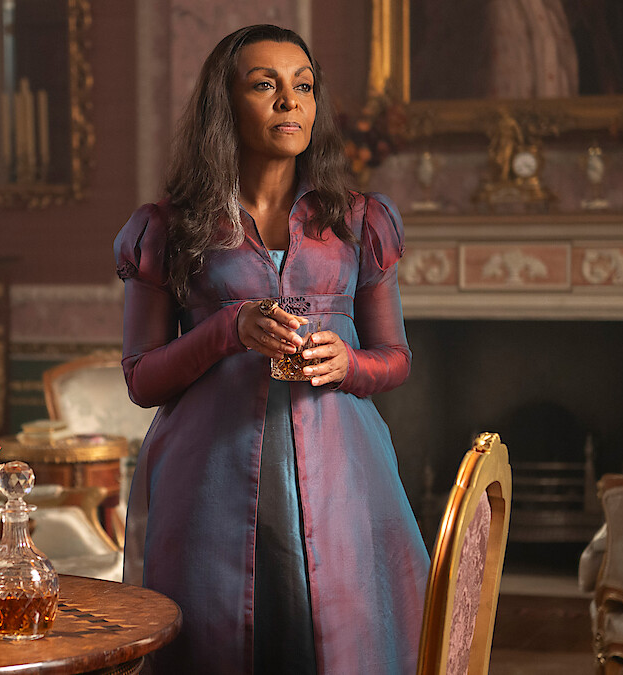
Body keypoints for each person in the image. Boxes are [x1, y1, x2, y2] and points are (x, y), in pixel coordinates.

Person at [114, 24, 427, 675]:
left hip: (347, 479)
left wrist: (350, 363)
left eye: (303, 86)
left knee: (343, 645)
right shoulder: (170, 226)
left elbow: (395, 357)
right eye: (266, 85)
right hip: (207, 480)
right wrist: (229, 327)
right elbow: (142, 379)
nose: (291, 102)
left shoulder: (360, 221)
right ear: (224, 105)